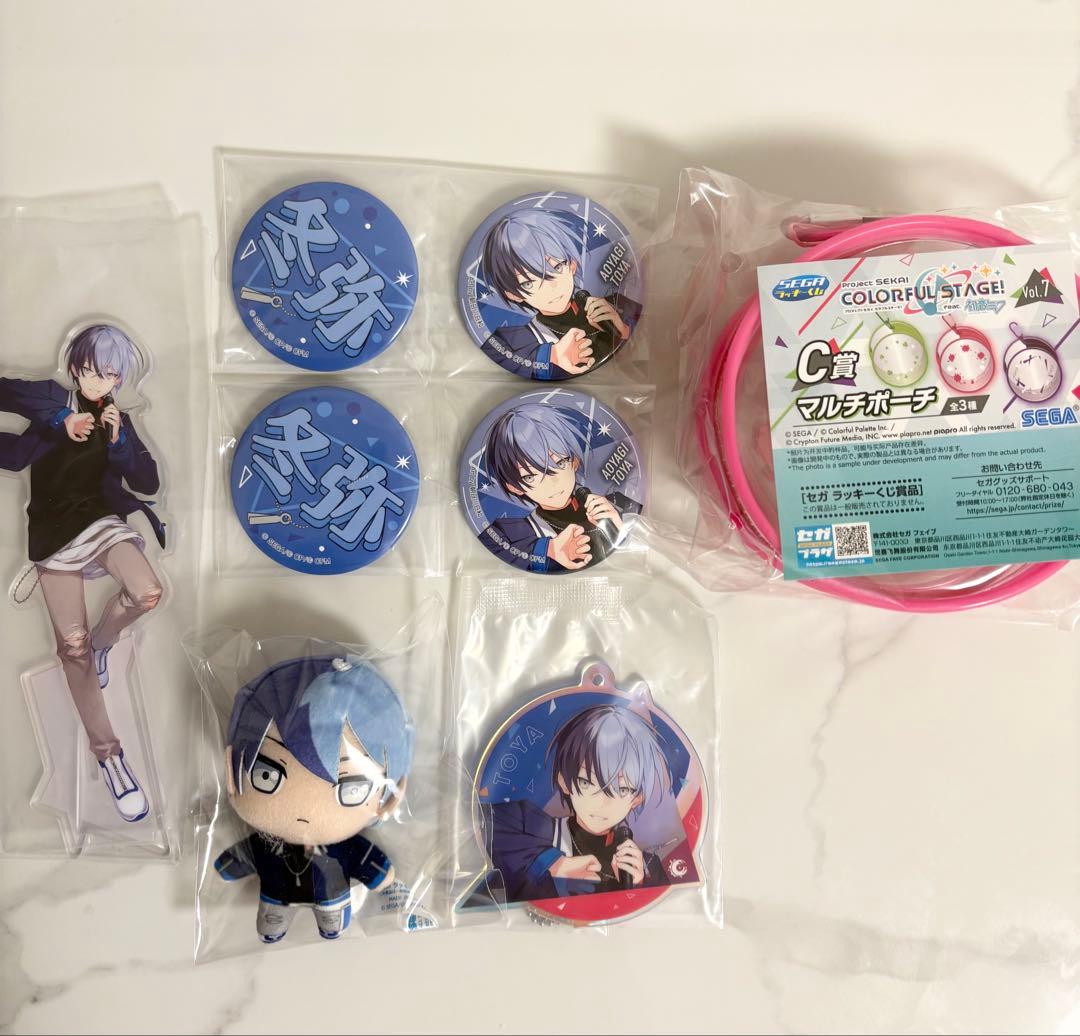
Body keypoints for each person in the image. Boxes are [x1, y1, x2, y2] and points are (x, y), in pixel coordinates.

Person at [0, 324, 166, 822]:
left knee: (148, 592)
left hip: (100, 522)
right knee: (70, 648)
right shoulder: (53, 399)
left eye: (111, 375)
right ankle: (110, 756)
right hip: (52, 535)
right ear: (75, 367)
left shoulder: (118, 419)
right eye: (93, 371)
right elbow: (5, 392)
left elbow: (148, 482)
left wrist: (119, 440)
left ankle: (104, 644)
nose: (101, 382)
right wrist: (61, 419)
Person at [215, 655, 414, 943]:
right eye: (266, 776)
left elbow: (365, 859)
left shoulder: (343, 847)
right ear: (230, 770)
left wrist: (379, 874)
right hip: (276, 895)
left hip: (331, 895)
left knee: (330, 915)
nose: (303, 813)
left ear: (390, 796)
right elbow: (246, 854)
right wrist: (230, 864)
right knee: (272, 917)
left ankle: (329, 918)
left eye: (351, 788)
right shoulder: (266, 844)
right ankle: (278, 921)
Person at [482, 704, 671, 904]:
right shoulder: (527, 825)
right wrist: (553, 864)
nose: (602, 802)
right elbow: (475, 823)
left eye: (622, 789)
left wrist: (639, 886)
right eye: (586, 782)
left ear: (637, 798)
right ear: (564, 782)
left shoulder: (648, 867)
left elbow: (665, 915)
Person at [478, 208, 640, 379]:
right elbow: (498, 354)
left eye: (556, 267)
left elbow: (644, 338)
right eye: (528, 283)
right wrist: (552, 356)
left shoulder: (618, 304)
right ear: (513, 294)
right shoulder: (511, 341)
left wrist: (623, 330)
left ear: (572, 265)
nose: (551, 287)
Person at [480, 402, 640, 572]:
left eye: (560, 463)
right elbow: (488, 553)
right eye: (530, 476)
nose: (552, 483)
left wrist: (620, 527)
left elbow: (643, 544)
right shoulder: (510, 533)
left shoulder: (619, 503)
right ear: (514, 487)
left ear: (575, 462)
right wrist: (548, 549)